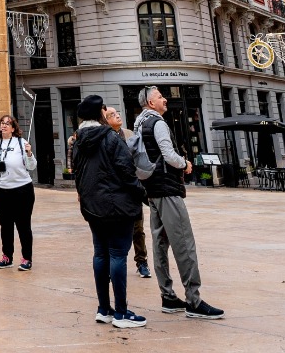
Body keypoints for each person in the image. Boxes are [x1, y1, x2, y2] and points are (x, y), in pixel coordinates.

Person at [134, 87, 221, 319]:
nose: (165, 99)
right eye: (160, 96)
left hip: (151, 189)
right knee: (184, 243)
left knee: (160, 244)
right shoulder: (157, 123)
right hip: (168, 189)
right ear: (151, 103)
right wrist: (185, 163)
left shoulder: (138, 124)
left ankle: (168, 297)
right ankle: (194, 300)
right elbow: (168, 155)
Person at [72, 96, 147, 329]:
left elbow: (77, 174)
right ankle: (122, 313)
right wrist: (143, 194)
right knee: (117, 255)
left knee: (101, 254)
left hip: (92, 206)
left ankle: (104, 309)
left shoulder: (78, 141)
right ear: (100, 114)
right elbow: (127, 171)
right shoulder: (111, 138)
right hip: (117, 206)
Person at [101, 107, 152, 278]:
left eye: (117, 113)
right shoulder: (103, 137)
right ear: (105, 120)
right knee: (112, 230)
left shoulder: (129, 134)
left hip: (132, 187)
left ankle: (142, 262)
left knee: (138, 228)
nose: (117, 116)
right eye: (112, 115)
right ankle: (110, 264)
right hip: (113, 190)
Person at [0, 114, 37, 270]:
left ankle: (27, 258)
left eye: (8, 123)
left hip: (22, 190)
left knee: (23, 225)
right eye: (2, 123)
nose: (4, 125)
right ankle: (7, 257)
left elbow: (32, 166)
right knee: (5, 225)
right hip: (0, 191)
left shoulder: (21, 143)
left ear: (13, 129)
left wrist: (29, 153)